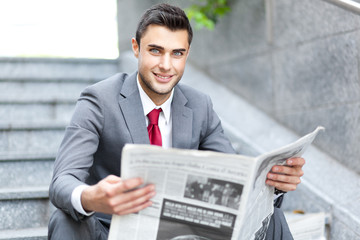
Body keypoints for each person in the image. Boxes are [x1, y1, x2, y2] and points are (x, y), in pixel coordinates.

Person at [48, 3, 304, 239]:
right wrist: (91, 197)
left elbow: (238, 180)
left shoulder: (199, 106)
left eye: (177, 53)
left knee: (272, 220)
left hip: (183, 235)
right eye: (155, 51)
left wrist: (273, 183)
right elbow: (63, 180)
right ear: (136, 47)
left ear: (187, 54)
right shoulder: (99, 100)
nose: (166, 65)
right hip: (114, 232)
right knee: (64, 218)